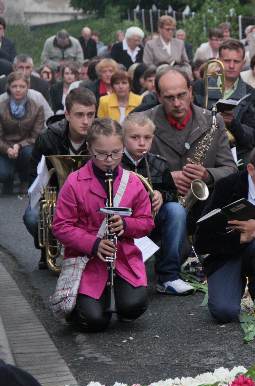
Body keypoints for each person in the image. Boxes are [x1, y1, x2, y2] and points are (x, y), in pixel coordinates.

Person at [52, 118, 154, 331]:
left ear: (123, 147)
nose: (109, 160)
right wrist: (94, 243)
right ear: (89, 149)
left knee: (134, 306)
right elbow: (61, 226)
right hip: (87, 259)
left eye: (116, 153)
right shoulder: (74, 182)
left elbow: (146, 222)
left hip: (123, 256)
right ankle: (84, 305)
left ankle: (120, 303)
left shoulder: (133, 182)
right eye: (101, 153)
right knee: (94, 322)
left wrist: (125, 225)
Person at [194, 142, 255, 322]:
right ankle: (234, 283)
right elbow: (202, 241)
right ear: (250, 169)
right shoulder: (226, 186)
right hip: (224, 255)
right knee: (224, 312)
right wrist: (241, 237)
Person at [121, 113, 194, 294]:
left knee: (176, 210)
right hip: (122, 223)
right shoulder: (114, 163)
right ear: (123, 139)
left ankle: (169, 277)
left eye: (147, 138)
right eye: (135, 137)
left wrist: (162, 195)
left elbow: (174, 194)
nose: (141, 143)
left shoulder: (159, 164)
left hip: (151, 223)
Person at [24, 88, 96, 269]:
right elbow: (34, 176)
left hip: (92, 196)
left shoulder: (101, 135)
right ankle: (48, 247)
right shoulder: (48, 138)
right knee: (32, 217)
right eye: (79, 115)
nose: (86, 121)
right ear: (67, 115)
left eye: (90, 115)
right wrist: (46, 200)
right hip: (55, 194)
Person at [144, 67, 237, 201]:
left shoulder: (214, 120)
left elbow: (231, 170)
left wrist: (207, 175)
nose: (176, 103)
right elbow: (126, 173)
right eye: (169, 98)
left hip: (204, 203)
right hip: (160, 203)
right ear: (158, 97)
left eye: (181, 95)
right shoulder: (141, 122)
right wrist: (165, 179)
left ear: (190, 91)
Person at [193, 39, 255, 162]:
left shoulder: (252, 94)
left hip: (236, 155)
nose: (231, 66)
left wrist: (233, 123)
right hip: (201, 153)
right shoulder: (199, 87)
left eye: (236, 61)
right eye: (227, 60)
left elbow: (253, 138)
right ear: (218, 60)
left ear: (243, 63)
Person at [0, 72, 45, 194]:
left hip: (26, 146)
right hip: (4, 148)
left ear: (27, 87)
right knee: (3, 173)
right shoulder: (1, 107)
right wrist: (8, 149)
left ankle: (25, 180)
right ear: (9, 87)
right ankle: (7, 180)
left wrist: (19, 146)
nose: (18, 89)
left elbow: (36, 136)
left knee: (29, 153)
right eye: (14, 86)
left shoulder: (37, 107)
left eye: (22, 86)